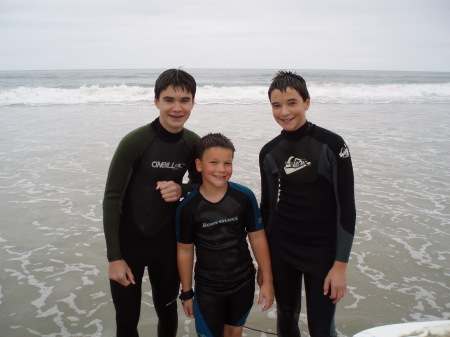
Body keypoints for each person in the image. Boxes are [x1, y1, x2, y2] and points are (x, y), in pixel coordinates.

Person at [103, 68, 202, 337]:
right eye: (169, 100)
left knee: (168, 314)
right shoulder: (136, 141)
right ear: (156, 101)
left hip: (167, 248)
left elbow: (205, 187)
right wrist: (115, 257)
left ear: (194, 102)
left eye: (184, 100)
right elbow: (112, 198)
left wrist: (181, 189)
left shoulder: (193, 144)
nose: (176, 108)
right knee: (126, 320)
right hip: (129, 247)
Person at [259, 71, 356, 337]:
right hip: (283, 250)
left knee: (321, 329)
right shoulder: (269, 152)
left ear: (307, 103)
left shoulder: (332, 145)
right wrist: (264, 266)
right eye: (276, 105)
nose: (284, 111)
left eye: (292, 102)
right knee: (286, 324)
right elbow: (267, 210)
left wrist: (340, 266)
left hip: (323, 253)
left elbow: (346, 208)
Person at [176, 133, 274, 337]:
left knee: (233, 333)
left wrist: (267, 279)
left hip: (242, 283)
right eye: (214, 162)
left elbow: (257, 237)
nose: (222, 169)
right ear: (199, 164)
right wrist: (186, 292)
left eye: (227, 163)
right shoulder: (188, 207)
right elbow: (185, 251)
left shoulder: (243, 197)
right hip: (209, 288)